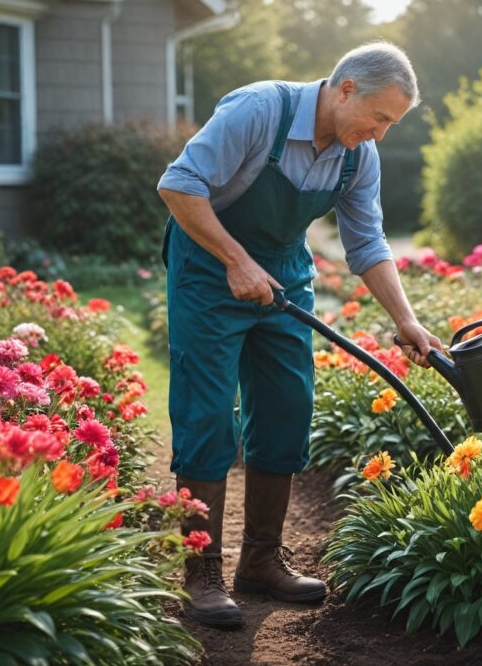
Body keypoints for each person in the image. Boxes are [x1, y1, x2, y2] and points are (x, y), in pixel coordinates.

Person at [157, 41, 442, 629]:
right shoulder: (259, 111)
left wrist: (405, 319)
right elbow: (179, 185)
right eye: (380, 117)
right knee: (209, 414)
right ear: (345, 90)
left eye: (392, 123)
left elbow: (366, 244)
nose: (381, 134)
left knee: (288, 407)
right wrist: (236, 261)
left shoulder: (356, 155)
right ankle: (201, 572)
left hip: (285, 273)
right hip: (209, 269)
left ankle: (260, 560)